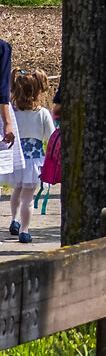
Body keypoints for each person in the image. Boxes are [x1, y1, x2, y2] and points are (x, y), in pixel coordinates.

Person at [10, 71, 48, 243]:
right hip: (34, 161)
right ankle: (24, 230)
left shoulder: (12, 113)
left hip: (16, 159)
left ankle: (14, 220)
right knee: (28, 198)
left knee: (16, 190)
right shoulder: (42, 114)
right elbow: (51, 136)